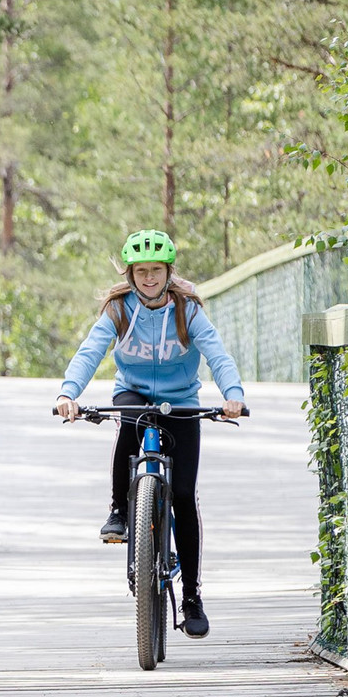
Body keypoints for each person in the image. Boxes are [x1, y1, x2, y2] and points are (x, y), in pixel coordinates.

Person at [54, 229, 245, 639]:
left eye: (157, 270)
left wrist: (233, 395)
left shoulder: (187, 310)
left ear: (168, 271)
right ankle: (120, 512)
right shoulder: (118, 310)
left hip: (181, 401)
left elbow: (217, 353)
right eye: (141, 271)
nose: (149, 278)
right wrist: (68, 393)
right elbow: (90, 352)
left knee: (182, 497)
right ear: (131, 273)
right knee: (128, 418)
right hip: (135, 392)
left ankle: (191, 596)